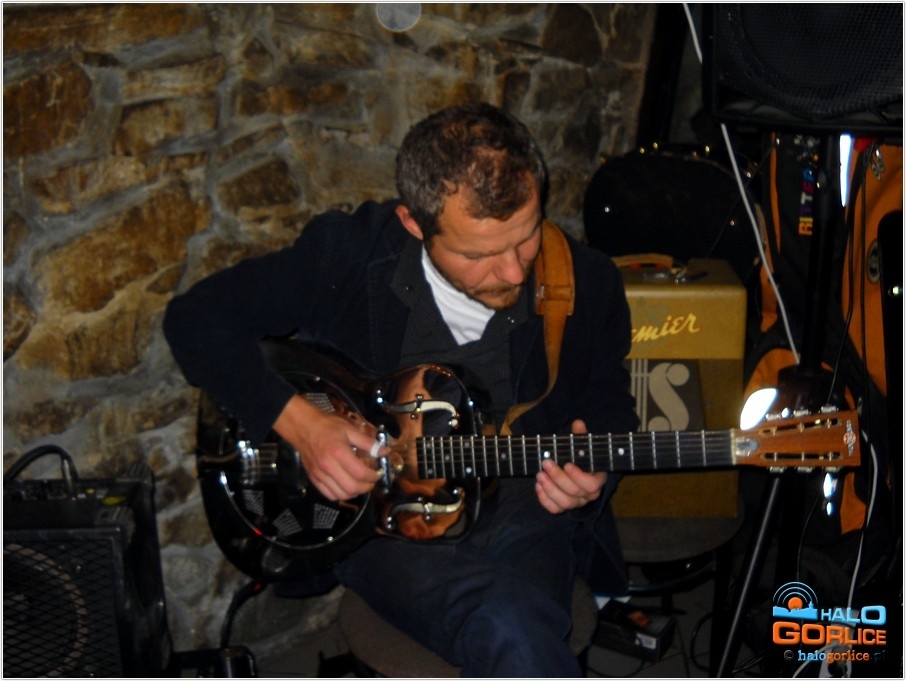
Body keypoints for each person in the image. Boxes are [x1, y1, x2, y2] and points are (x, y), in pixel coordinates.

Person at [164, 101, 639, 677]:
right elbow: (194, 320)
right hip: (381, 525)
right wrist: (303, 426)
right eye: (480, 254)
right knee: (510, 627)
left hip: (525, 509)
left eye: (526, 237)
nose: (515, 272)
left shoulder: (587, 281)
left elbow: (608, 402)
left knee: (520, 638)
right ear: (414, 225)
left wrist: (594, 474)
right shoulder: (350, 255)